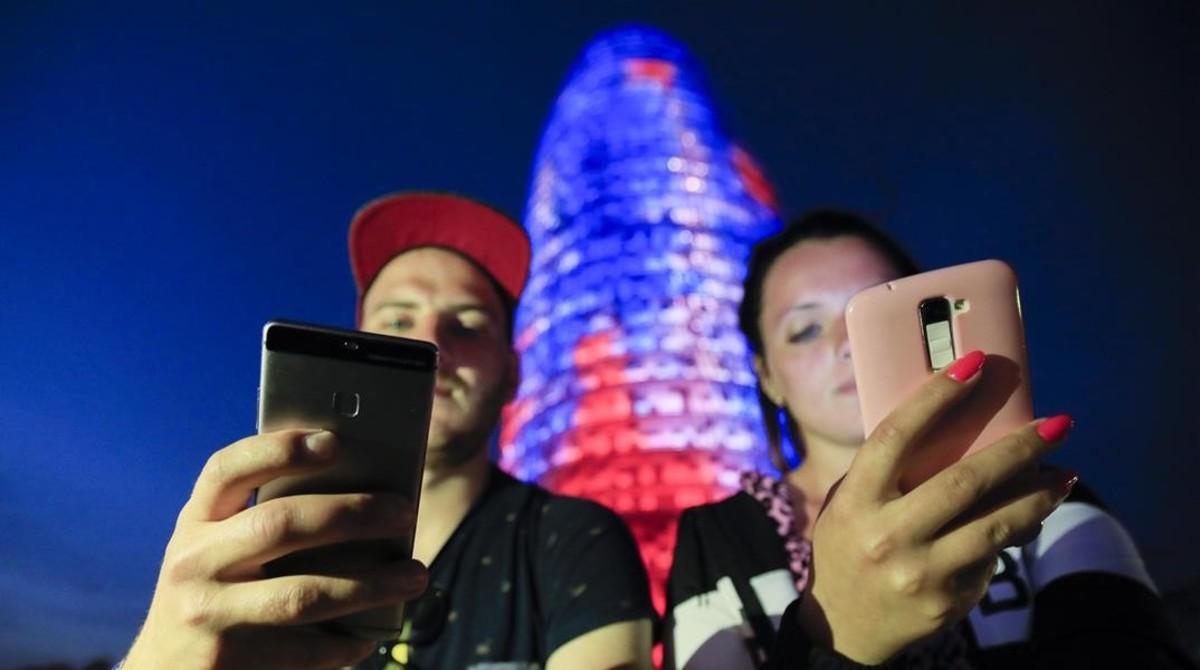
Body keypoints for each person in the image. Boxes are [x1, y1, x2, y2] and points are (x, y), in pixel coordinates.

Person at [121, 193, 655, 670]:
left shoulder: (571, 542)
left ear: (512, 373)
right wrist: (163, 657)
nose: (431, 347)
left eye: (467, 325)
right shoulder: (249, 561)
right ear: (354, 347)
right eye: (398, 322)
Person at [666, 210, 1195, 669]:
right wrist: (837, 638)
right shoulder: (714, 540)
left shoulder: (1042, 503)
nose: (847, 345)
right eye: (805, 330)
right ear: (767, 378)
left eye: (875, 318)